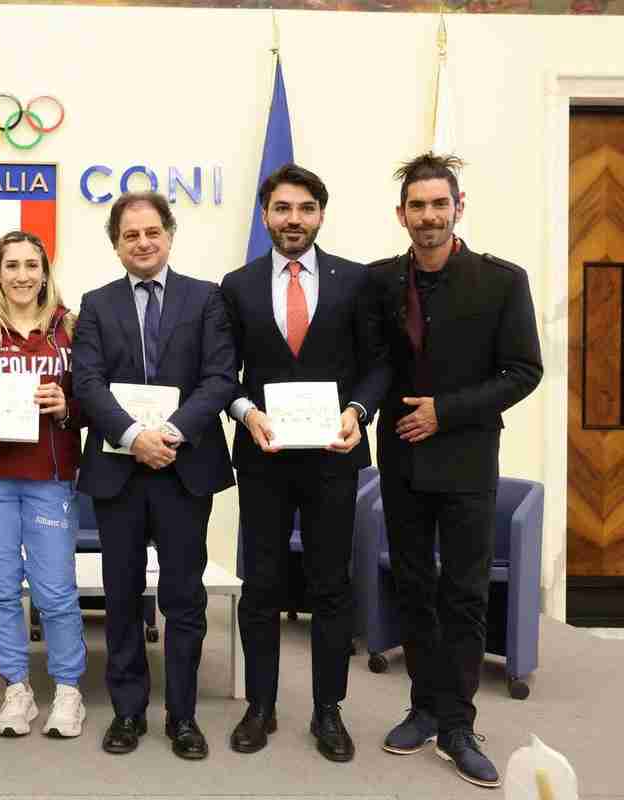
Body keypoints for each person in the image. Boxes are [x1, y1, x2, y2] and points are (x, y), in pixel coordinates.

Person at [369, 153, 542, 789]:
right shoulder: (382, 282)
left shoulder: (502, 281)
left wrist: (447, 412)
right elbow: (376, 362)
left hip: (467, 460)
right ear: (401, 215)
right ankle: (422, 706)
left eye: (439, 204)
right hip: (402, 461)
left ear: (458, 207)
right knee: (413, 586)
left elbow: (523, 371)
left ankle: (459, 725)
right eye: (417, 206)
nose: (429, 216)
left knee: (464, 594)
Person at [218, 164, 390, 763]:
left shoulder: (357, 282)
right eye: (282, 208)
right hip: (263, 455)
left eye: (305, 208)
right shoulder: (235, 284)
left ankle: (328, 710)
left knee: (329, 585)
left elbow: (379, 365)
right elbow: (222, 372)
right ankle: (260, 706)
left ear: (321, 213)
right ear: (265, 214)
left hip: (333, 456)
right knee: (261, 584)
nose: (293, 219)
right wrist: (244, 411)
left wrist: (359, 410)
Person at [72, 191, 236, 760]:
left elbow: (220, 378)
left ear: (169, 234)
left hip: (183, 468)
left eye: (151, 232)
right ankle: (127, 711)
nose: (142, 243)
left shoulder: (207, 299)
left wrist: (166, 435)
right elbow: (86, 383)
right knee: (120, 596)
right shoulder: (95, 304)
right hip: (119, 470)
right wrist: (131, 437)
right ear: (116, 244)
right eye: (129, 235)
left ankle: (183, 716)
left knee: (184, 597)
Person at [0, 230, 87, 738]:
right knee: (0, 588)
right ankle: (17, 688)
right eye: (12, 266)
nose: (22, 276)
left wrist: (67, 408)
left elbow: (92, 398)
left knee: (55, 590)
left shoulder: (71, 330)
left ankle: (68, 689)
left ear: (45, 272)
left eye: (32, 265)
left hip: (49, 478)